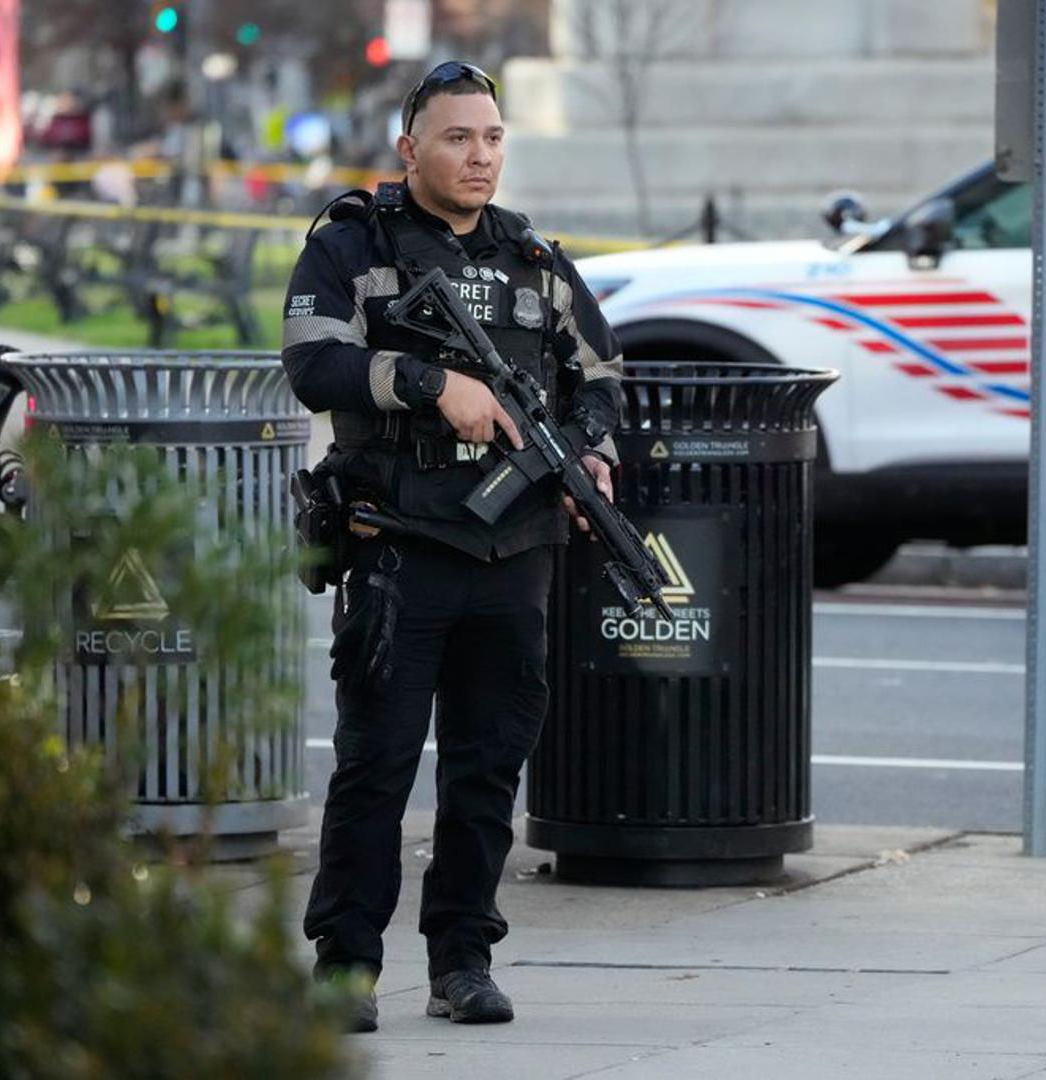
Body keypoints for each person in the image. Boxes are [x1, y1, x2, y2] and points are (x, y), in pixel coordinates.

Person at [280, 61, 624, 1032]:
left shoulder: (534, 259)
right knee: (376, 767)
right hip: (400, 544)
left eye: (492, 138)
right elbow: (313, 362)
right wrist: (431, 386)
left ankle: (462, 961)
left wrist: (589, 453)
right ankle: (346, 965)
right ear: (410, 148)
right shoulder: (353, 244)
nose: (480, 156)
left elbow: (600, 376)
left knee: (486, 770)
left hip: (514, 552)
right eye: (458, 138)